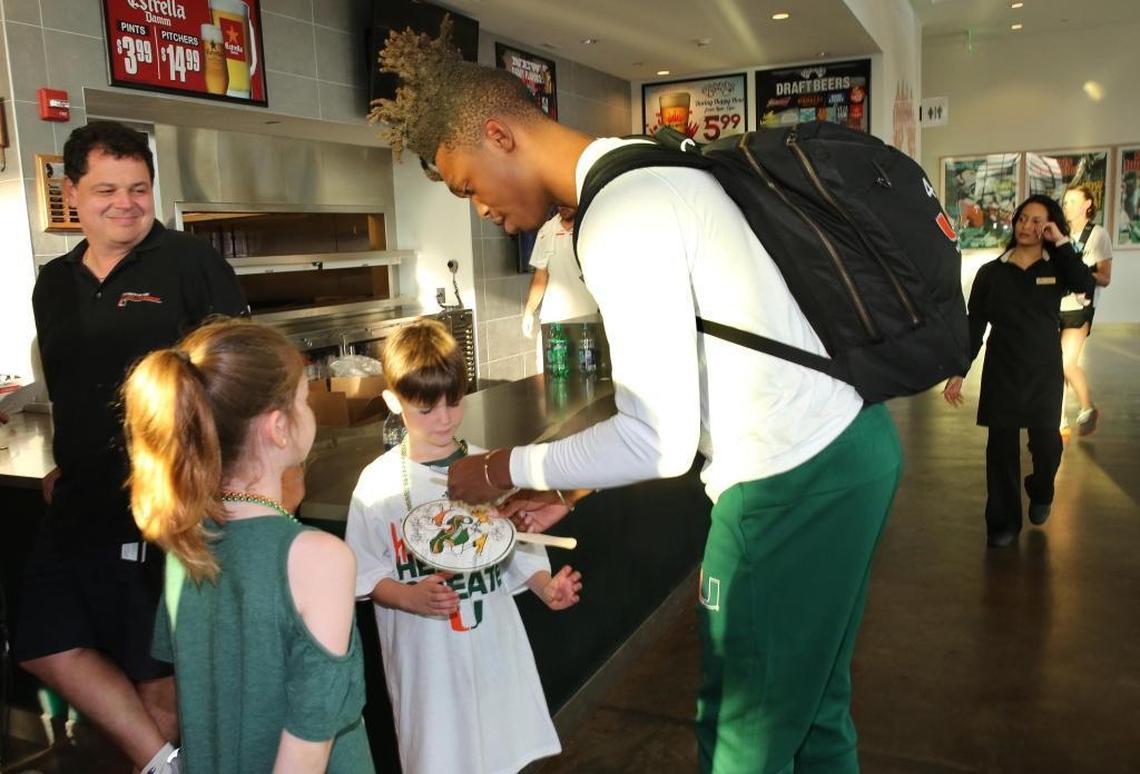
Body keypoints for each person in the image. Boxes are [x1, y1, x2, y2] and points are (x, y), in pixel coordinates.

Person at [373, 22, 902, 774]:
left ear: (498, 135)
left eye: (468, 185)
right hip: (848, 448)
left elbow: (660, 441)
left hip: (791, 481)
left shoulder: (621, 214)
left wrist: (500, 469)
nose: (480, 207)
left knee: (742, 735)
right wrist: (568, 484)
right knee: (813, 712)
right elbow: (694, 388)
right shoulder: (650, 168)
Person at [15, 121, 248, 774]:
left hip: (166, 494)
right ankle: (169, 765)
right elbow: (72, 382)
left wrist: (229, 475)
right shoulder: (52, 282)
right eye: (106, 190)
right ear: (72, 193)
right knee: (42, 640)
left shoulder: (190, 263)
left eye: (139, 189)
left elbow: (239, 374)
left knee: (154, 666)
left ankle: (175, 764)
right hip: (84, 495)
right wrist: (74, 454)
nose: (125, 203)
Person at [122, 319, 374, 772]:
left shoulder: (187, 542)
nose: (309, 408)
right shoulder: (320, 559)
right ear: (279, 427)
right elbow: (306, 753)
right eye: (303, 398)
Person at [344, 318, 581, 774]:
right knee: (438, 757)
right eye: (426, 408)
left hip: (491, 651)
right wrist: (408, 596)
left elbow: (518, 544)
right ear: (394, 402)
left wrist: (545, 586)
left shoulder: (486, 469)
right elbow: (365, 573)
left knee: (498, 754)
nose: (445, 419)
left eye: (454, 403)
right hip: (426, 665)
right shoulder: (376, 486)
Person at [943, 195, 1096, 548]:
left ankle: (1041, 489)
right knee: (1001, 451)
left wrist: (1061, 242)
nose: (1027, 227)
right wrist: (959, 370)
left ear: (1049, 226)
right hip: (1003, 370)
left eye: (1037, 221)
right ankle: (1003, 523)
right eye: (1022, 219)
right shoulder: (991, 273)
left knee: (1047, 445)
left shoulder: (1056, 266)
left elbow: (1084, 285)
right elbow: (975, 324)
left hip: (1043, 370)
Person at [1058, 185, 1112, 438]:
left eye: (1071, 201)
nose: (1065, 205)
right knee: (1054, 365)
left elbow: (1105, 277)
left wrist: (1080, 274)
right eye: (1064, 201)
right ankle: (1058, 419)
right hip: (1054, 306)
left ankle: (1087, 407)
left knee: (1066, 362)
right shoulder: (1060, 233)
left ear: (1087, 205)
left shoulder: (1098, 235)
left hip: (1079, 309)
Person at [522, 206, 598, 342]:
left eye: (566, 202)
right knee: (551, 361)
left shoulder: (592, 225)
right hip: (554, 319)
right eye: (559, 203)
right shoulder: (546, 230)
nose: (562, 206)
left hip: (589, 318)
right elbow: (540, 276)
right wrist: (529, 311)